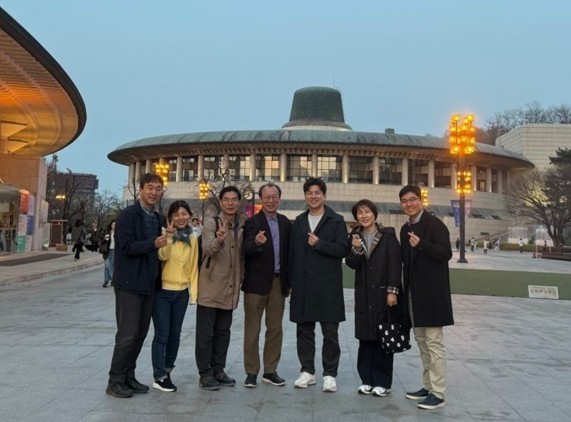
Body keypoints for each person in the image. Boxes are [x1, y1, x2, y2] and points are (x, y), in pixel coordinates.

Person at [106, 173, 168, 399]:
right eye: (150, 187)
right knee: (127, 334)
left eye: (158, 188)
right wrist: (153, 243)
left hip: (149, 284)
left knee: (140, 334)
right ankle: (115, 380)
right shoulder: (128, 215)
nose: (154, 192)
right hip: (129, 284)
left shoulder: (160, 219)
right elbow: (126, 247)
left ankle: (128, 376)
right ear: (140, 189)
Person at [289, 177, 349, 393]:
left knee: (330, 334)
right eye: (309, 193)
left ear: (324, 195)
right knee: (304, 331)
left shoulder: (336, 221)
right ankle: (307, 371)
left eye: (317, 193)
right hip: (303, 285)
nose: (313, 196)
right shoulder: (299, 221)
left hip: (327, 287)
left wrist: (320, 244)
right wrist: (290, 283)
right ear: (305, 196)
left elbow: (343, 249)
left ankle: (330, 374)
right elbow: (292, 254)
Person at [399, 184, 454, 410]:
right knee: (422, 343)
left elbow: (445, 252)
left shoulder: (434, 224)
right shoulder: (405, 228)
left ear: (420, 200)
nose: (409, 204)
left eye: (412, 199)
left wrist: (422, 245)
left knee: (434, 343)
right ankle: (428, 385)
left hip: (432, 295)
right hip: (414, 295)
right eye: (404, 201)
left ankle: (438, 393)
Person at [345, 199, 402, 398]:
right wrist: (356, 249)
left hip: (383, 294)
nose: (364, 216)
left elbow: (395, 264)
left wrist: (392, 291)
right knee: (365, 338)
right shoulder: (355, 236)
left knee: (383, 338)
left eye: (367, 212)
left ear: (374, 214)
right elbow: (351, 263)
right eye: (360, 213)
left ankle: (382, 382)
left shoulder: (387, 236)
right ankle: (366, 380)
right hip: (364, 294)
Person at [242, 182, 292, 388]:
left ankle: (270, 371)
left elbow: (290, 254)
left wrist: (289, 282)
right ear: (261, 199)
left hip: (278, 283)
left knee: (275, 328)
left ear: (279, 199)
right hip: (255, 284)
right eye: (267, 197)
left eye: (274, 197)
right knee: (252, 329)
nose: (271, 201)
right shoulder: (252, 223)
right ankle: (251, 371)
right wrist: (256, 243)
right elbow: (245, 249)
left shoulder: (286, 223)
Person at [195, 186, 245, 390]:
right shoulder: (211, 223)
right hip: (211, 287)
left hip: (230, 289)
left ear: (239, 203)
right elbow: (207, 249)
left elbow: (242, 257)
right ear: (221, 202)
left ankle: (218, 369)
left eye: (234, 199)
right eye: (226, 199)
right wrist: (219, 239)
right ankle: (205, 373)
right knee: (205, 334)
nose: (230, 203)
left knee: (223, 332)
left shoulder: (241, 226)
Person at [152, 200, 199, 392]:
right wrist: (169, 237)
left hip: (181, 294)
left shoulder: (193, 239)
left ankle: (167, 369)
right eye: (176, 214)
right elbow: (162, 256)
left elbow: (193, 266)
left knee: (175, 335)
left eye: (184, 213)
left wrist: (193, 293)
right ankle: (159, 376)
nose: (181, 217)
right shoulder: (165, 234)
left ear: (189, 215)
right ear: (170, 217)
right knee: (162, 335)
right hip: (163, 292)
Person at [101, 220, 116, 288]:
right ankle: (107, 280)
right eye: (113, 224)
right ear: (111, 225)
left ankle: (111, 280)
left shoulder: (119, 233)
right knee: (107, 265)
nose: (114, 226)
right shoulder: (107, 232)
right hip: (107, 250)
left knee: (111, 265)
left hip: (115, 250)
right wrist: (104, 239)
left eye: (115, 225)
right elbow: (101, 241)